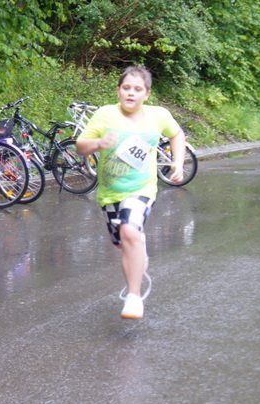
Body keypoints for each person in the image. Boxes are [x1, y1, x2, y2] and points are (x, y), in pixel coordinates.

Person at [76, 65, 185, 319]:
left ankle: (134, 297)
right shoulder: (105, 115)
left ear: (147, 94)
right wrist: (98, 143)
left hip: (141, 188)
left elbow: (177, 135)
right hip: (109, 193)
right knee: (123, 243)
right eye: (126, 88)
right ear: (118, 90)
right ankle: (137, 245)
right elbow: (80, 146)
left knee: (128, 231)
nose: (131, 93)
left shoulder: (158, 116)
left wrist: (178, 163)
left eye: (137, 89)